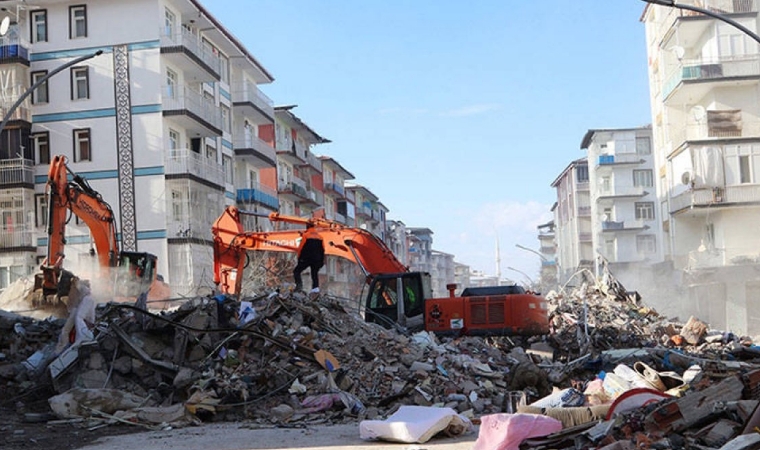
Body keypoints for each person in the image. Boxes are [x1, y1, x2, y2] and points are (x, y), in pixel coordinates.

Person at [293, 223, 325, 293]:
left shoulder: (306, 235)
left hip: (306, 258)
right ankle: (315, 289)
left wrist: (299, 258)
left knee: (296, 271)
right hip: (317, 259)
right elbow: (323, 250)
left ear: (307, 227)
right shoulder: (320, 237)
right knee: (314, 274)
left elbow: (300, 248)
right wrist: (321, 261)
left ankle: (299, 287)